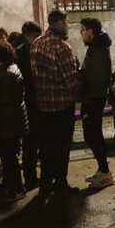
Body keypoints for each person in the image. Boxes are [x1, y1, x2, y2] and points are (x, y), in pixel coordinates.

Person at [30, 10, 81, 195]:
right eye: (67, 22)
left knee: (46, 147)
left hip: (43, 104)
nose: (68, 26)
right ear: (60, 23)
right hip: (61, 104)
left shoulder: (37, 43)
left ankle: (45, 183)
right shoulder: (62, 47)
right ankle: (60, 184)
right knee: (62, 147)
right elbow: (70, 80)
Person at [0, 41, 28, 201]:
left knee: (9, 156)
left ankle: (17, 188)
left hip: (8, 120)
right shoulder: (9, 69)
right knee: (8, 155)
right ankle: (8, 184)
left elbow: (3, 98)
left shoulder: (6, 74)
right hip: (11, 118)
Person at [79, 17, 115, 189]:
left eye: (82, 30)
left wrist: (81, 77)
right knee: (93, 133)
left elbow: (98, 77)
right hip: (92, 95)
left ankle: (106, 172)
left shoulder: (98, 49)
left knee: (92, 134)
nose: (81, 33)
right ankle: (102, 169)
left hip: (94, 96)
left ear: (90, 31)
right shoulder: (95, 47)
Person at [15, 21, 42, 191]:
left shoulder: (36, 50)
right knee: (30, 141)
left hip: (37, 100)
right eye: (36, 36)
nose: (38, 39)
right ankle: (30, 177)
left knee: (35, 141)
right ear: (27, 36)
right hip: (30, 102)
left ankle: (36, 176)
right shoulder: (21, 53)